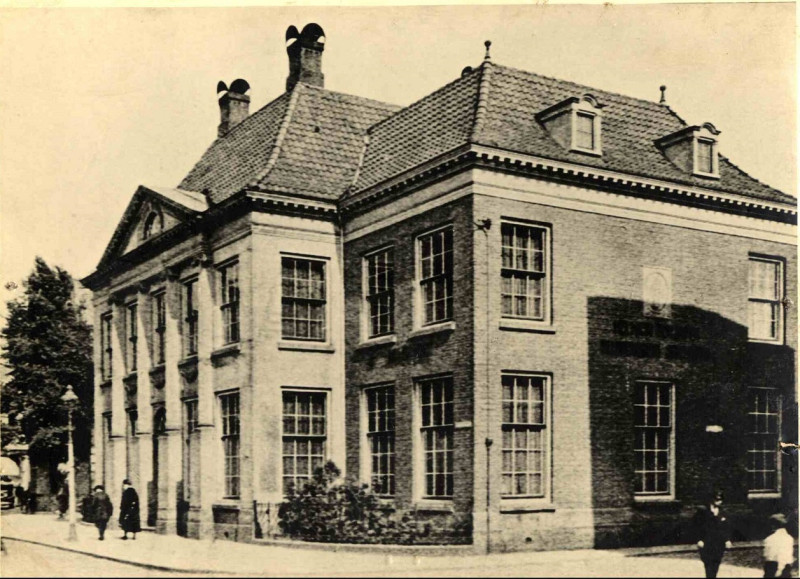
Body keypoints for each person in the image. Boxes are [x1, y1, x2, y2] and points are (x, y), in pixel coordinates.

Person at [692, 490, 733, 579]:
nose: (719, 502)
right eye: (717, 499)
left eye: (721, 500)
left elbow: (726, 528)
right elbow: (695, 527)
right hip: (706, 542)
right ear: (711, 500)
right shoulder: (702, 512)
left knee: (716, 562)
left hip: (719, 543)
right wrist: (699, 539)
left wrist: (727, 540)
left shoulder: (723, 512)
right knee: (708, 563)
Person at [763, 513, 794, 578]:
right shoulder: (789, 538)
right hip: (785, 567)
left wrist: (779, 570)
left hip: (774, 568)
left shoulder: (771, 539)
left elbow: (779, 555)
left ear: (773, 525)